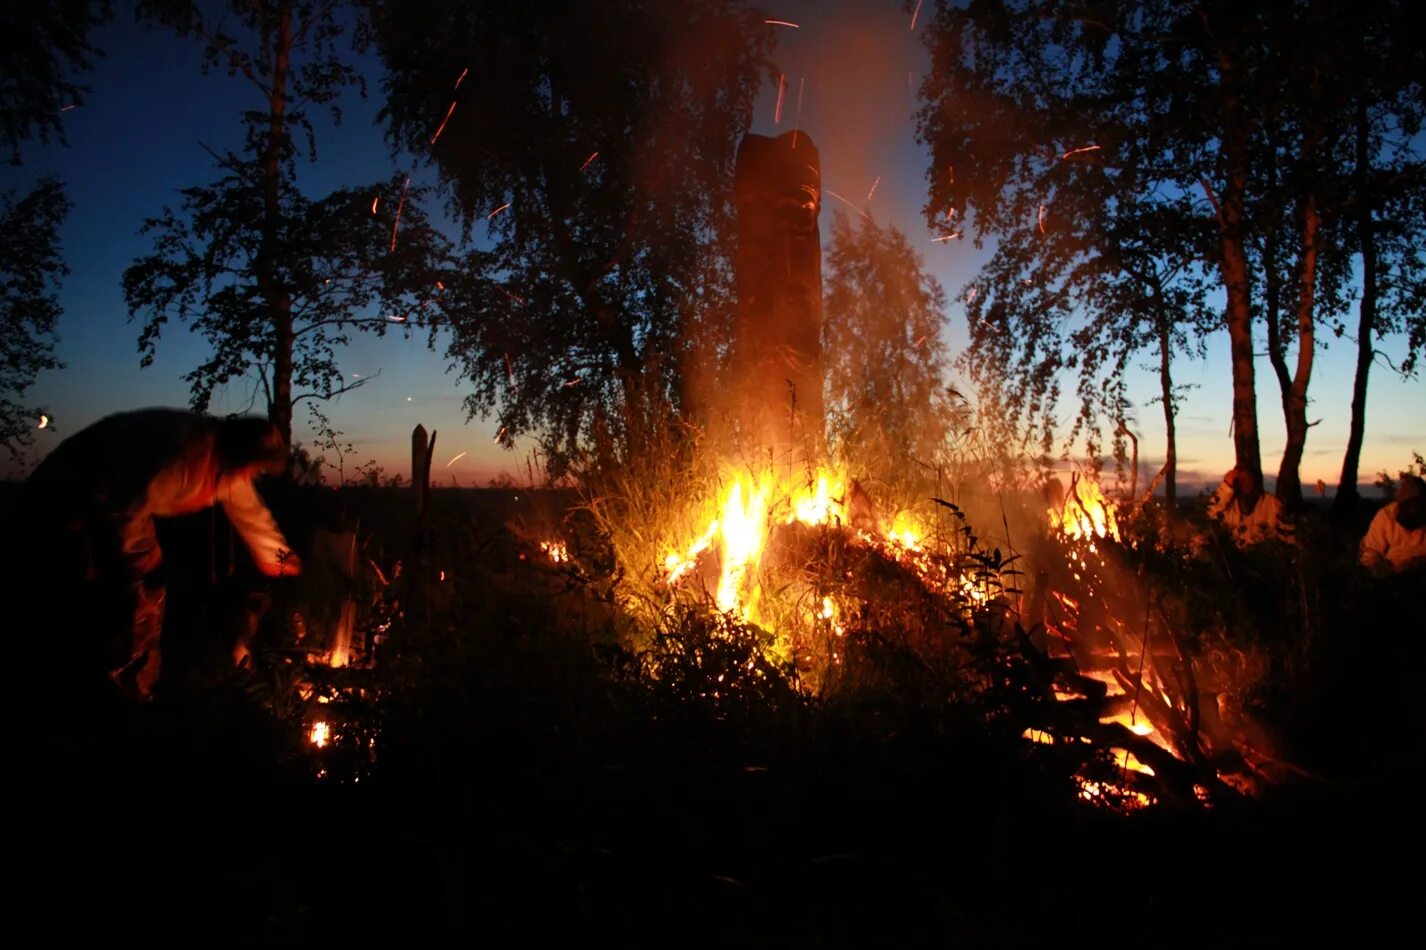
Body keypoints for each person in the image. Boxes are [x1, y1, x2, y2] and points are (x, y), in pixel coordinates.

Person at [17, 408, 303, 701]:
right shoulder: (182, 458)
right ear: (240, 457)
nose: (254, 474)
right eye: (255, 467)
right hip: (65, 499)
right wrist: (140, 566)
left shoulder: (223, 462)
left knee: (145, 587)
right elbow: (125, 509)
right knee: (110, 597)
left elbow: (249, 510)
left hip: (109, 509)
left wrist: (278, 556)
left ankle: (132, 681)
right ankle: (95, 689)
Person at [1206, 465, 1292, 547]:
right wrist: (1227, 485)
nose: (1244, 484)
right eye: (1241, 480)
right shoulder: (1228, 506)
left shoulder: (1273, 505)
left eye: (1247, 479)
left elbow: (1288, 539)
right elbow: (1209, 513)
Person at [1360, 474, 1426, 575]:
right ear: (1400, 504)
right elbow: (1371, 552)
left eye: (1417, 506)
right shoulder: (1386, 517)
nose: (1414, 510)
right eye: (1410, 506)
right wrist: (1377, 569)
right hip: (1391, 575)